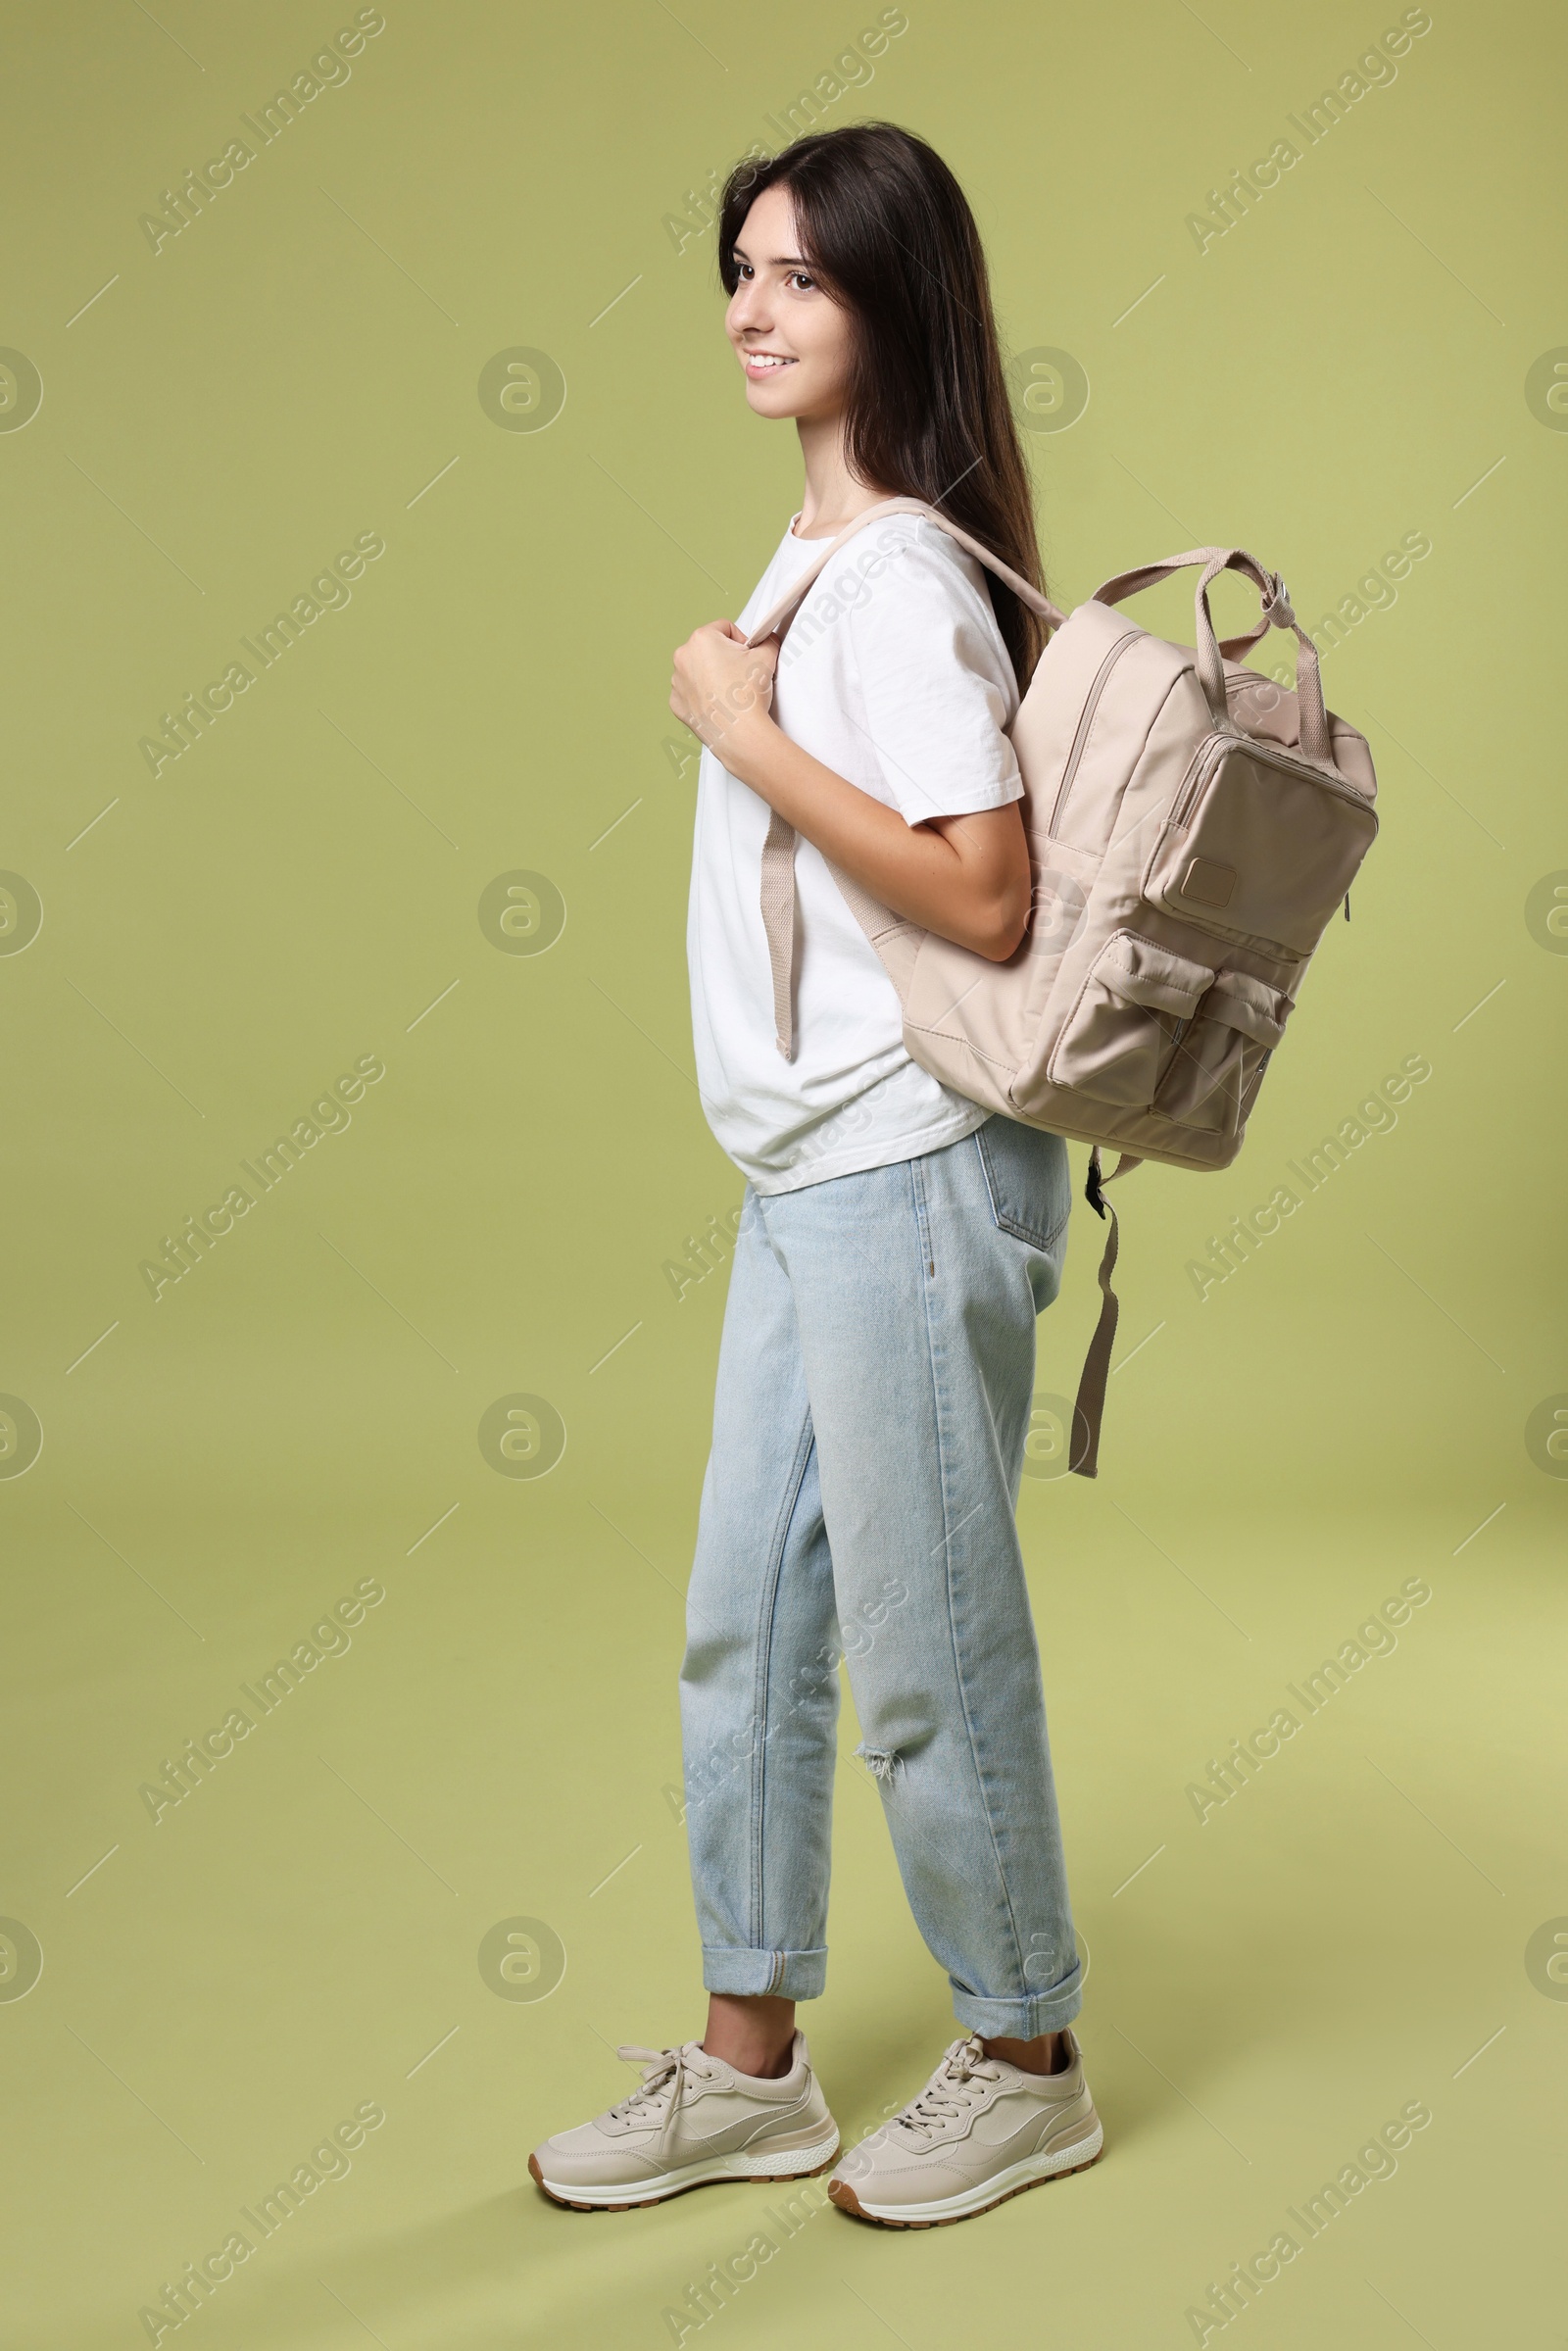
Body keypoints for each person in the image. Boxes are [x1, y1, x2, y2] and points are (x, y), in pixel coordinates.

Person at [530, 121, 1102, 2229]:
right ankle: (752, 2065)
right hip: (803, 1178)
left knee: (924, 1637)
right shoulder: (820, 563)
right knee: (743, 1633)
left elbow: (979, 889)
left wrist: (729, 722)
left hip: (907, 1165)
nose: (755, 311)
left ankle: (1025, 2050)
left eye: (804, 278)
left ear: (894, 308)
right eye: (741, 271)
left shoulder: (895, 581)